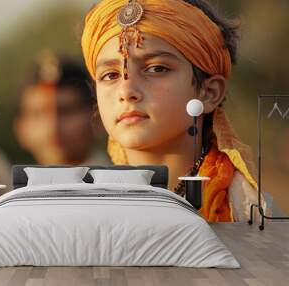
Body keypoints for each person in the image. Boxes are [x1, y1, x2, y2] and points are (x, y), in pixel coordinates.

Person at [80, 0, 269, 222]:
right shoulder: (82, 211)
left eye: (156, 68)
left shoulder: (246, 212)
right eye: (110, 75)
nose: (126, 90)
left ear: (209, 92)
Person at [13, 50, 110, 166]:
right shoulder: (7, 183)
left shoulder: (123, 182)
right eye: (37, 113)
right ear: (20, 129)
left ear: (98, 119)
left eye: (66, 111)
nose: (52, 125)